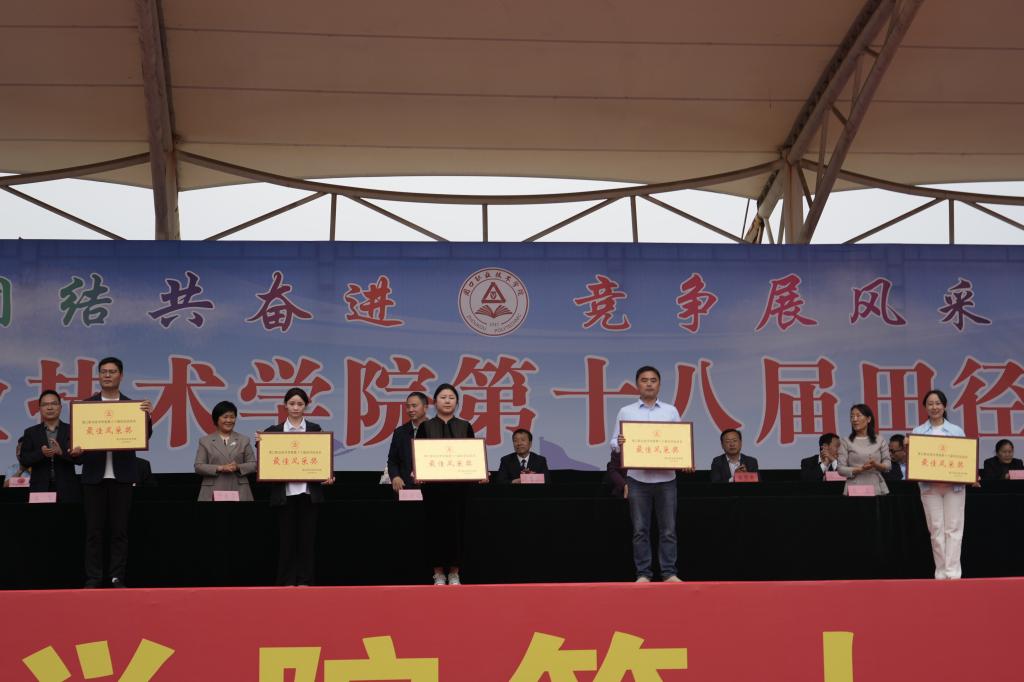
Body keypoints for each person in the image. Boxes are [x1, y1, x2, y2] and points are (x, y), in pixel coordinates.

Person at [77, 357, 152, 588]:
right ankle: (94, 578)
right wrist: (75, 450)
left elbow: (144, 436)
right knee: (94, 532)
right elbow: (76, 445)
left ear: (121, 375)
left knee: (120, 531)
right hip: (93, 477)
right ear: (98, 376)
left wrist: (146, 417)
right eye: (103, 372)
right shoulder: (86, 407)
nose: (107, 375)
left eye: (112, 371)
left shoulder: (133, 406)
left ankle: (117, 576)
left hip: (122, 477)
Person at [609, 366, 683, 583]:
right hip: (637, 479)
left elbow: (680, 441)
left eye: (653, 380)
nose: (649, 384)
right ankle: (643, 573)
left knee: (668, 530)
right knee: (640, 530)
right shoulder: (626, 411)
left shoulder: (670, 411)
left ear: (659, 384)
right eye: (644, 380)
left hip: (666, 479)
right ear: (637, 384)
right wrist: (620, 442)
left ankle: (669, 573)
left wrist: (684, 459)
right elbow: (614, 442)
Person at [262, 388, 335, 586]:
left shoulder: (314, 429)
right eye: (292, 404)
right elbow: (266, 458)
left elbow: (322, 457)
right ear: (285, 405)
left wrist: (327, 475)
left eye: (300, 404)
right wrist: (261, 443)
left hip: (308, 494)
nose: (296, 408)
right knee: (286, 541)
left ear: (306, 406)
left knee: (307, 541)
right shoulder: (273, 431)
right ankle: (286, 581)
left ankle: (305, 580)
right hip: (284, 494)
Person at [418, 383, 475, 585]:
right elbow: (419, 455)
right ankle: (438, 573)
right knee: (435, 528)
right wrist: (418, 471)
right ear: (435, 402)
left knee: (458, 528)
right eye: (443, 397)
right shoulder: (425, 427)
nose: (447, 401)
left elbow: (472, 454)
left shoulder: (465, 426)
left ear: (457, 402)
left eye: (451, 397)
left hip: (459, 488)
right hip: (433, 488)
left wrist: (479, 470)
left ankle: (455, 572)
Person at [912, 390, 968, 579]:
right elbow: (914, 460)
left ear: (944, 406)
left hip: (954, 486)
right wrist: (909, 446)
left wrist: (971, 475)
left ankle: (953, 573)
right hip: (929, 487)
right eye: (930, 404)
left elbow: (965, 458)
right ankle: (941, 572)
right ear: (925, 407)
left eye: (938, 403)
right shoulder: (918, 432)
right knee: (936, 529)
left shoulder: (956, 431)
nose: (934, 407)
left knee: (953, 528)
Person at [17, 390, 81, 502]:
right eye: (45, 404)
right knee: (41, 515)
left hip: (68, 489)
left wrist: (61, 453)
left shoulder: (72, 430)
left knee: (67, 514)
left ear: (60, 407)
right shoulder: (31, 432)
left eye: (54, 404)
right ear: (40, 409)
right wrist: (41, 453)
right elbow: (24, 460)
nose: (50, 408)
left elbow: (81, 460)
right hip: (39, 489)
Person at [195, 400, 256, 501]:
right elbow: (199, 466)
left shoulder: (243, 440)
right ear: (216, 419)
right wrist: (220, 468)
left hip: (238, 488)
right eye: (225, 417)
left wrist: (238, 467)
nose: (229, 420)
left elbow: (253, 465)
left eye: (232, 417)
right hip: (213, 489)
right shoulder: (205, 441)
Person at [838, 403, 891, 496]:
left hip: (876, 487)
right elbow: (841, 469)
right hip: (854, 488)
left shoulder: (880, 440)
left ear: (868, 419)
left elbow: (888, 465)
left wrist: (876, 465)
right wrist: (861, 469)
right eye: (852, 416)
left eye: (858, 416)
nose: (854, 419)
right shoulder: (846, 441)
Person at [387, 391, 429, 493]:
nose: (410, 410)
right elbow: (392, 461)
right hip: (406, 487)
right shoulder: (400, 432)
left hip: (432, 489)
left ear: (425, 408)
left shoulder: (436, 429)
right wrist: (395, 477)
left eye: (414, 406)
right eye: (408, 407)